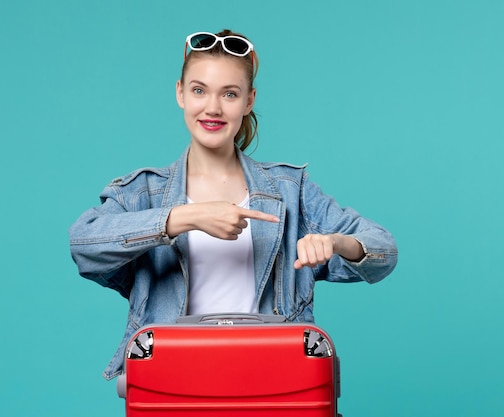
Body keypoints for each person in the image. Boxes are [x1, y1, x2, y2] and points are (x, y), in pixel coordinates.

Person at [69, 29, 398, 381]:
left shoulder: (290, 191)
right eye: (199, 90)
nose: (213, 108)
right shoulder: (143, 192)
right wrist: (184, 217)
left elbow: (384, 252)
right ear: (180, 93)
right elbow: (83, 244)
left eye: (229, 94)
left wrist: (334, 242)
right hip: (174, 383)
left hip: (272, 382)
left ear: (249, 101)